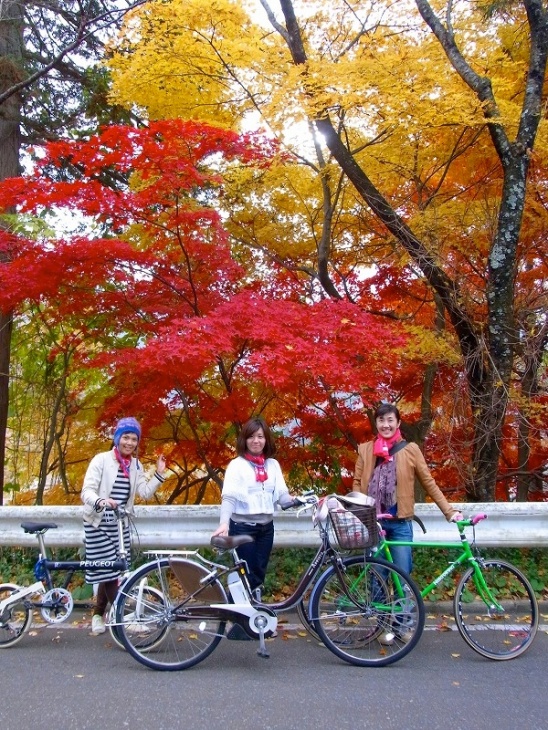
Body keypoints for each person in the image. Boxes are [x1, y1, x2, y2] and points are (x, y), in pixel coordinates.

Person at [352, 402, 462, 644]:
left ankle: (402, 626)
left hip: (400, 523)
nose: (386, 424)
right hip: (375, 523)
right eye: (381, 420)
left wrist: (449, 512)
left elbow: (429, 482)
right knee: (377, 576)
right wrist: (361, 515)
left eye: (390, 420)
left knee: (402, 575)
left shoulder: (410, 450)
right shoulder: (365, 450)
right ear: (376, 423)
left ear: (398, 423)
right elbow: (357, 485)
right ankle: (381, 626)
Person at [81, 417, 167, 635]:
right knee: (108, 571)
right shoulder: (101, 460)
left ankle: (99, 615)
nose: (129, 442)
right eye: (126, 437)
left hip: (120, 525)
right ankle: (122, 615)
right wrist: (101, 501)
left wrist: (159, 474)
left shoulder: (135, 465)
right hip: (99, 523)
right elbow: (87, 491)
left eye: (134, 439)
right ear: (117, 438)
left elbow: (144, 493)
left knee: (111, 570)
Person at [212, 416, 296, 597]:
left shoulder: (272, 465)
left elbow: (282, 497)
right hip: (242, 528)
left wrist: (297, 500)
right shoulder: (237, 465)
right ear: (244, 439)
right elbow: (229, 498)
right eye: (251, 437)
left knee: (258, 575)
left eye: (260, 436)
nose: (256, 441)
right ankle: (238, 618)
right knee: (245, 577)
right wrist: (224, 523)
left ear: (266, 439)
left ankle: (254, 616)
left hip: (267, 529)